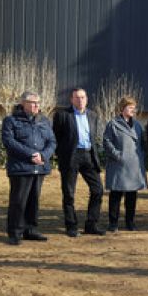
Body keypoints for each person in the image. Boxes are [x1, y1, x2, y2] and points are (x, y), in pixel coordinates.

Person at [1, 91, 57, 245]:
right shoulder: (11, 121)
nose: (36, 105)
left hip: (39, 167)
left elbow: (52, 141)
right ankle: (15, 232)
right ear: (23, 103)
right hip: (21, 167)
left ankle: (31, 229)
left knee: (34, 200)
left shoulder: (44, 121)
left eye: (38, 102)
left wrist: (43, 156)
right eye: (33, 102)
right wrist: (31, 154)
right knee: (18, 201)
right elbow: (9, 142)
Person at [53, 88, 105, 237]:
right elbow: (56, 137)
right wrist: (60, 155)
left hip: (89, 155)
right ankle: (71, 226)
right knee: (69, 193)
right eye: (77, 98)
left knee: (98, 190)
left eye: (83, 97)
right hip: (71, 157)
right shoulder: (62, 115)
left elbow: (93, 138)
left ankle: (91, 224)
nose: (80, 100)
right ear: (71, 100)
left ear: (87, 99)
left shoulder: (93, 116)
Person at [103, 96, 148, 232]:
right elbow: (106, 141)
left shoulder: (138, 125)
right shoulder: (113, 124)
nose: (133, 110)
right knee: (116, 194)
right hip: (119, 165)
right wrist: (117, 155)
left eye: (134, 107)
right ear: (122, 109)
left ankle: (130, 222)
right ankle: (113, 223)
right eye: (130, 107)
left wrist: (141, 157)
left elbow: (142, 143)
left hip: (134, 165)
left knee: (131, 196)